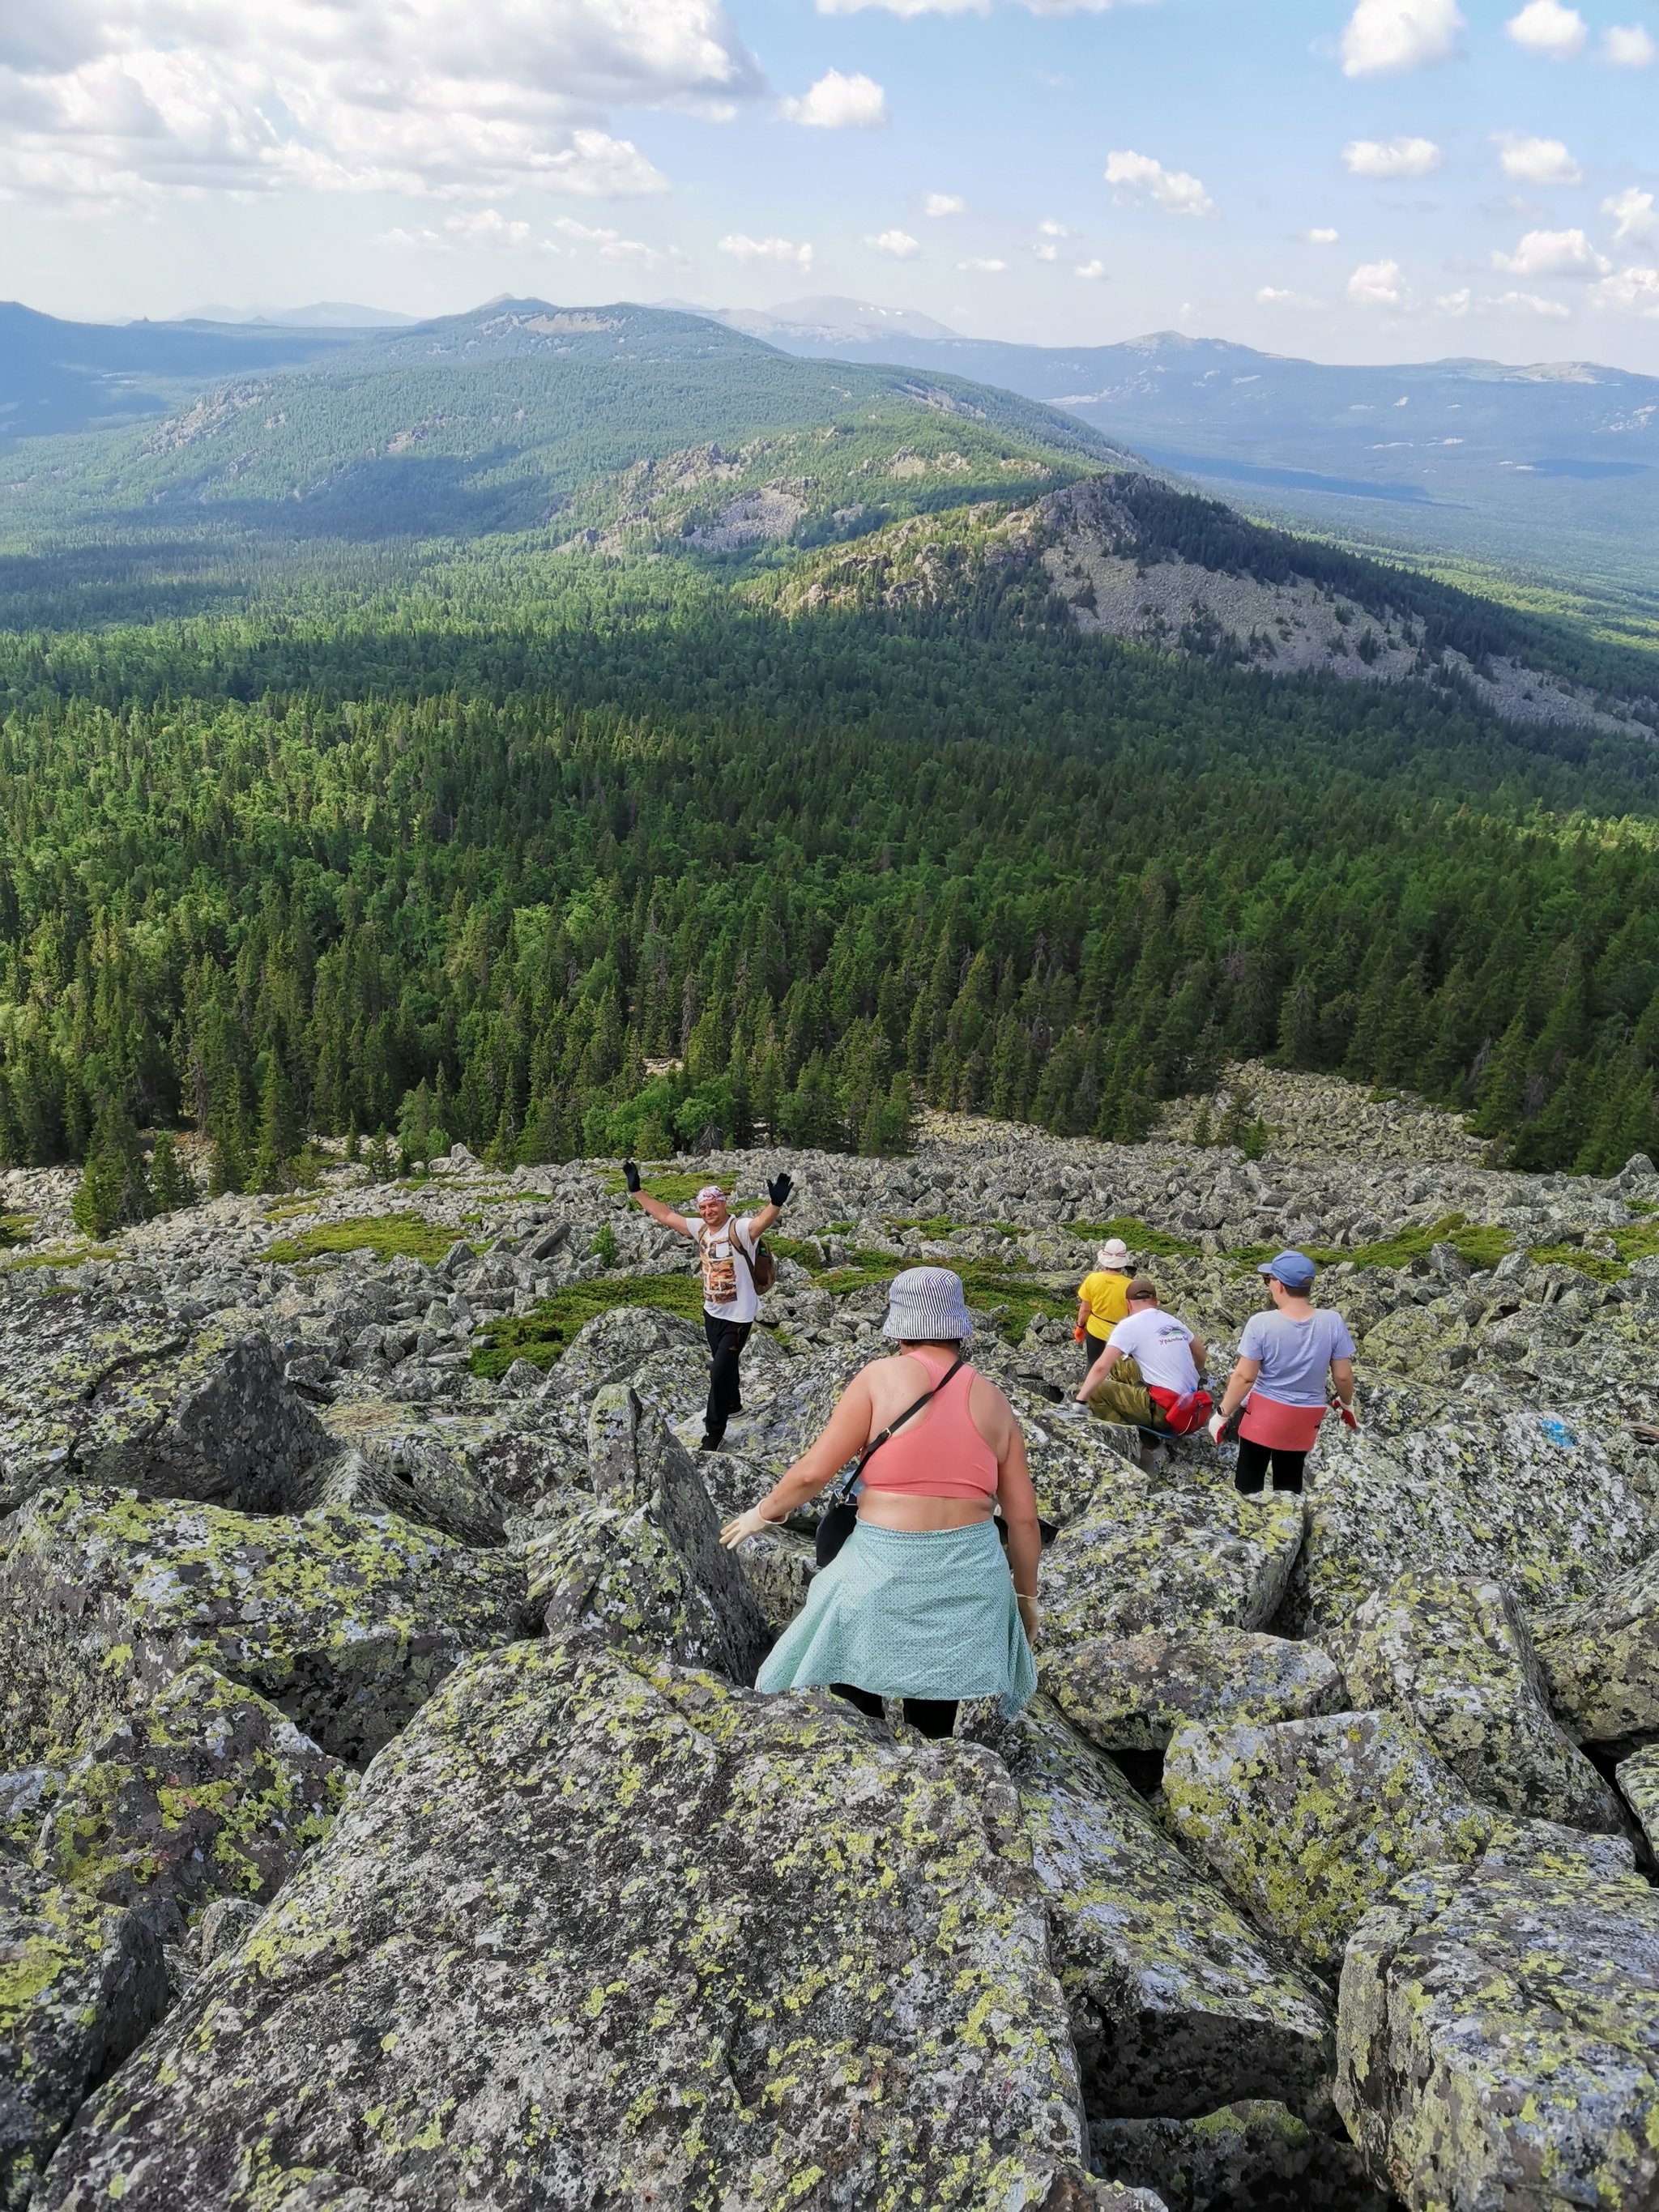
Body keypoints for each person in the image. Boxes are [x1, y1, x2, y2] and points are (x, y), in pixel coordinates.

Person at [719, 1266, 1039, 1739]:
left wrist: (762, 1514)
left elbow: (812, 1472)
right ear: (957, 1324)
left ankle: (865, 1753)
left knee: (849, 1668)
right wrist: (1026, 1598)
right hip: (971, 1576)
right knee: (934, 1707)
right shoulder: (994, 1400)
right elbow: (1024, 1519)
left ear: (900, 1324)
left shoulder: (878, 1377)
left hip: (883, 1564)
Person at [623, 1161, 791, 1452]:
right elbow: (665, 1215)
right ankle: (734, 1404)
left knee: (718, 1372)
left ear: (723, 1205)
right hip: (712, 1312)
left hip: (739, 1316)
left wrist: (775, 1203)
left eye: (713, 1206)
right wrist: (637, 1191)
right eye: (703, 1207)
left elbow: (761, 1223)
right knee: (725, 1366)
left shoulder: (739, 1228)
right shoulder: (700, 1229)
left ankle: (713, 1434)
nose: (707, 1212)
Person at [1209, 1250, 1358, 1494]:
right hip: (1306, 1417)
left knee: (1248, 1482)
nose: (1269, 1286)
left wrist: (1222, 1414)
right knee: (1289, 1483)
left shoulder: (1261, 1323)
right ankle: (1290, 1525)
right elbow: (1343, 1375)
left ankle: (1248, 1528)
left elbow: (1244, 1377)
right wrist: (1347, 1404)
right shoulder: (1332, 1321)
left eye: (1268, 1280)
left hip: (1264, 1415)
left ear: (1278, 1285)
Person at [1077, 1277, 1212, 1434]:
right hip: (1190, 1405)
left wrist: (1080, 1400)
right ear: (1155, 1301)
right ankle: (1134, 1404)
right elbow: (1201, 1354)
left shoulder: (1129, 1325)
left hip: (1166, 1413)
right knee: (1119, 1364)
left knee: (1095, 1390)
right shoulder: (1173, 1321)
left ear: (1128, 1304)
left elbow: (1101, 1367)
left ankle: (1136, 1435)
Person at [1075, 1238, 1132, 1383]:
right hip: (1120, 1336)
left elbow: (1085, 1309)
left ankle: (1086, 1395)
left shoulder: (1092, 1279)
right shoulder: (1131, 1286)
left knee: (1093, 1364)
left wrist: (1080, 1326)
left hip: (1095, 1330)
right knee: (1121, 1371)